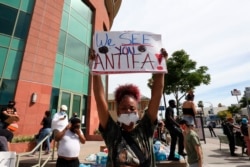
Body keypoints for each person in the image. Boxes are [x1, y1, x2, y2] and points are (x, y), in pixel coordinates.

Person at [92, 48, 168, 167]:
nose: (128, 111)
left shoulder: (145, 129)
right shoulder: (112, 132)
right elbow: (99, 99)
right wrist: (95, 71)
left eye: (132, 108)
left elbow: (157, 95)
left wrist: (160, 67)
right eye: (124, 108)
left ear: (138, 111)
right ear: (117, 112)